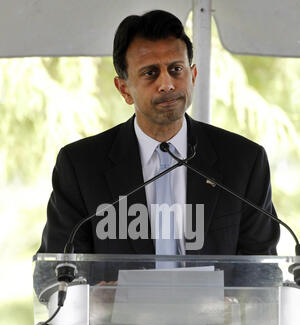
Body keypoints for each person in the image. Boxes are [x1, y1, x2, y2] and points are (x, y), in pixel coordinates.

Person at [37, 10, 280, 256]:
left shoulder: (244, 161)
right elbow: (55, 271)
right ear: (124, 89)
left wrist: (235, 296)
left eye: (176, 69)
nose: (167, 84)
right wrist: (101, 295)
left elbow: (263, 272)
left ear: (193, 75)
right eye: (150, 73)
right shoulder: (80, 166)